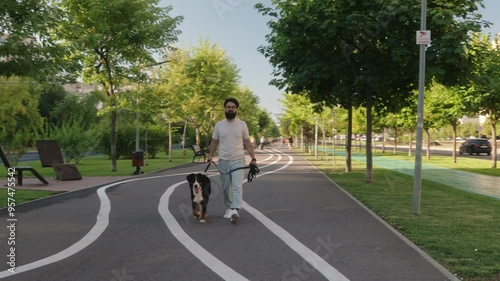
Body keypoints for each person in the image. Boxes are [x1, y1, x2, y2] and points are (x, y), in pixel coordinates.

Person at [207, 98, 257, 224]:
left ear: (236, 109)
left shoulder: (242, 124)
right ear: (224, 108)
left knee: (237, 186)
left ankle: (235, 209)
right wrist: (210, 155)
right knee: (225, 187)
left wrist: (253, 158)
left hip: (238, 160)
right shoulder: (219, 125)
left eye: (233, 107)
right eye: (228, 106)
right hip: (223, 160)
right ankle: (229, 207)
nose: (231, 109)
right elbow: (214, 142)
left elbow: (247, 142)